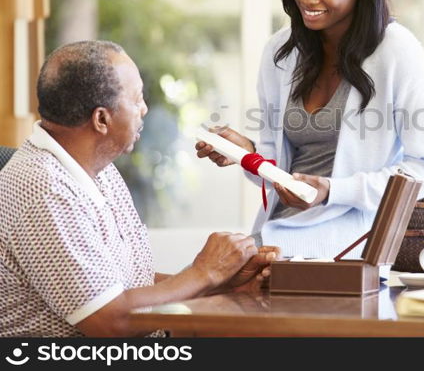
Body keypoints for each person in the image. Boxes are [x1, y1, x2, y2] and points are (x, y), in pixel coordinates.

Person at [196, 0, 424, 259]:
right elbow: (279, 178)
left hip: (351, 247)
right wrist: (245, 155)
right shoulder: (280, 52)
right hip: (277, 236)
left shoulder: (398, 52)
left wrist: (332, 191)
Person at [0, 41, 278, 337]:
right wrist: (204, 272)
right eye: (136, 99)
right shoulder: (46, 192)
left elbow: (129, 288)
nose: (144, 109)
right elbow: (111, 322)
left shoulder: (96, 168)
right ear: (102, 119)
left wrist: (223, 282)